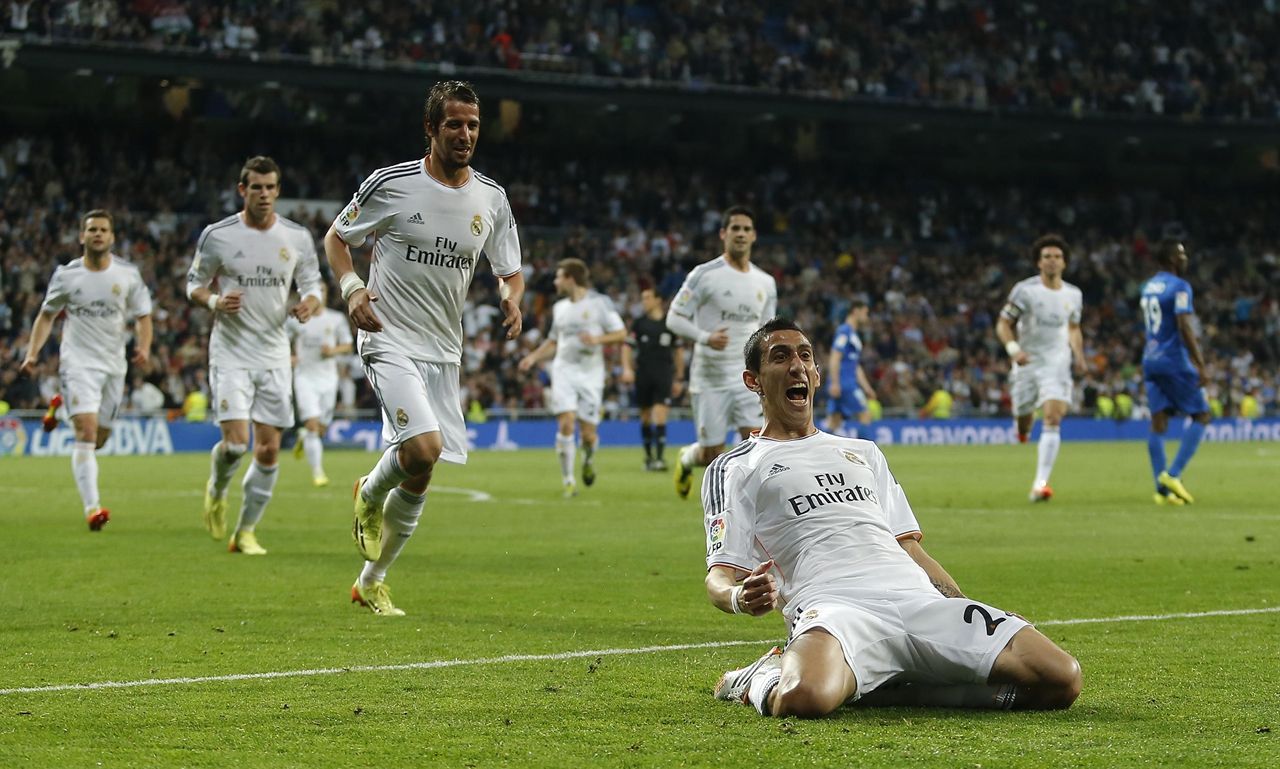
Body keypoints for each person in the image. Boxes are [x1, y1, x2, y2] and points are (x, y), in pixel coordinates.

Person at [704, 318, 1082, 718]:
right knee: (802, 698)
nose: (797, 365)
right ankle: (761, 675)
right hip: (835, 609)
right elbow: (719, 576)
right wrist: (738, 598)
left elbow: (911, 549)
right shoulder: (736, 467)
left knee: (1061, 677)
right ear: (754, 380)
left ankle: (887, 690)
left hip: (918, 601)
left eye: (805, 356)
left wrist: (963, 606)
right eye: (780, 357)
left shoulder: (863, 452)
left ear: (815, 375)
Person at [325, 80, 523, 616]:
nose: (465, 134)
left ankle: (371, 581)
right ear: (431, 128)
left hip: (443, 350)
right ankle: (368, 491)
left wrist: (511, 298)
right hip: (387, 334)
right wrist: (352, 289)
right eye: (454, 124)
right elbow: (337, 239)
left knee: (421, 471)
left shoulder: (491, 198)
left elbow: (510, 270)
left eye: (473, 125)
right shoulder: (392, 184)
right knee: (423, 448)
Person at [186, 156, 324, 556]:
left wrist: (310, 304)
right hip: (230, 352)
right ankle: (217, 489)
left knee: (267, 449)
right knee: (235, 445)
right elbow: (193, 285)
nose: (264, 194)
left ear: (278, 190)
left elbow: (313, 286)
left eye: (270, 187)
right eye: (256, 187)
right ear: (242, 190)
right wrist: (214, 301)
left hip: (275, 354)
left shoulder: (296, 237)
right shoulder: (218, 235)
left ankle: (245, 531)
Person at [20, 209, 153, 530]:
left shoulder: (127, 274)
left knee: (100, 439)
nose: (98, 234)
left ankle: (60, 409)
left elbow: (143, 315)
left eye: (103, 230)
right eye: (92, 229)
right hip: (78, 363)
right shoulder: (67, 275)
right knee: (87, 432)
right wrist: (32, 353)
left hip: (113, 366)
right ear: (82, 236)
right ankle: (93, 509)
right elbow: (47, 315)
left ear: (112, 237)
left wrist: (144, 347)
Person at [666, 205, 777, 499]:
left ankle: (747, 510)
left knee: (757, 446)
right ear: (723, 234)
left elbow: (767, 330)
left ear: (754, 236)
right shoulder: (704, 275)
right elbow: (674, 317)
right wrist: (704, 337)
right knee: (711, 455)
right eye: (735, 228)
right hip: (711, 376)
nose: (740, 234)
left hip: (747, 378)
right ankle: (687, 458)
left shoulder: (766, 282)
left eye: (746, 229)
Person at [518, 259, 626, 496]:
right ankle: (568, 480)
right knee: (566, 422)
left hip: (591, 374)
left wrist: (597, 340)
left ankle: (588, 459)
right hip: (564, 370)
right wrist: (533, 357)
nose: (555, 282)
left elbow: (621, 333)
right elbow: (553, 341)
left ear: (570, 278)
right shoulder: (560, 308)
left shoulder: (599, 303)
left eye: (559, 277)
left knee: (588, 435)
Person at [995, 234, 1085, 502]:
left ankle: (1040, 484)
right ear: (1038, 262)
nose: (1052, 261)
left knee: (1053, 417)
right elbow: (1003, 324)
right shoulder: (1025, 291)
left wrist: (1079, 355)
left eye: (1057, 256)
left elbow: (1073, 327)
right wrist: (1014, 350)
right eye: (1047, 257)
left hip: (1057, 363)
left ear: (1064, 262)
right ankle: (1022, 429)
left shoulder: (1074, 294)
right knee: (1024, 416)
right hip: (1027, 362)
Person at [1139, 240, 1210, 506]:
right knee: (1202, 414)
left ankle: (1162, 490)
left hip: (1150, 358)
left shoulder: (1148, 286)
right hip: (1173, 360)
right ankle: (1173, 475)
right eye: (1181, 254)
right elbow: (1183, 325)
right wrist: (1199, 362)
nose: (1185, 257)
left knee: (1158, 422)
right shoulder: (1180, 286)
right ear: (1171, 258)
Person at [288, 286, 354, 487]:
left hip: (328, 379)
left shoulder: (335, 319)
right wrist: (289, 356)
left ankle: (303, 436)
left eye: (322, 290)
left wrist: (332, 351)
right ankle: (318, 472)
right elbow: (279, 340)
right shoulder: (296, 320)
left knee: (321, 429)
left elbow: (348, 345)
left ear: (325, 294)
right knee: (312, 425)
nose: (319, 294)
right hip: (304, 378)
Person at [620, 287, 684, 470]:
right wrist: (627, 369)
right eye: (643, 298)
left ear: (658, 300)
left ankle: (660, 458)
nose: (644, 302)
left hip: (663, 374)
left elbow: (678, 350)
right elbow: (627, 346)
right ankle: (648, 458)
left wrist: (679, 378)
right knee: (646, 417)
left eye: (647, 298)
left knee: (660, 415)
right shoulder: (639, 324)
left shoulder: (669, 324)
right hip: (643, 374)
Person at [825, 300, 876, 438]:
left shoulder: (853, 334)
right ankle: (864, 450)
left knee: (834, 421)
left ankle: (818, 451)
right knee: (865, 414)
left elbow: (855, 365)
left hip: (843, 383)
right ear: (856, 311)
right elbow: (835, 357)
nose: (866, 317)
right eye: (865, 313)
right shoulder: (844, 331)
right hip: (845, 384)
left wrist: (867, 387)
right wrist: (835, 383)